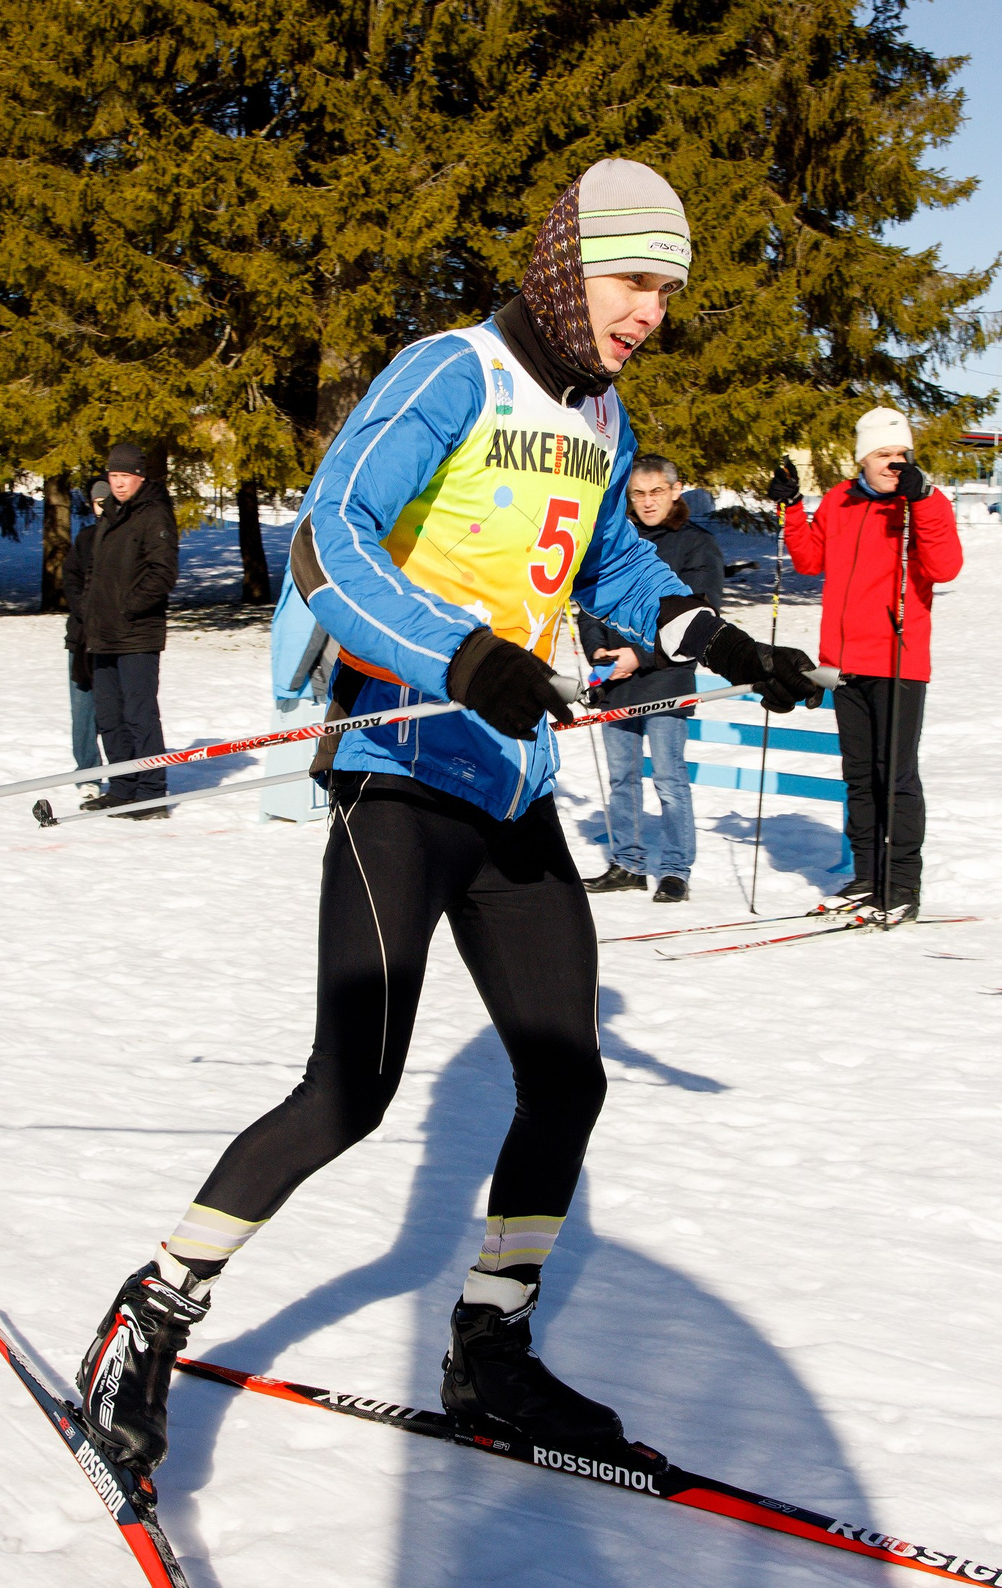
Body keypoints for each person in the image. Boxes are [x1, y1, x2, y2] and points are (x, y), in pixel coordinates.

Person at [74, 159, 823, 1476]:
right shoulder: (452, 374)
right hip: (400, 770)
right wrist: (461, 656)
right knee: (351, 1089)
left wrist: (712, 634)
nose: (649, 312)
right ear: (567, 262)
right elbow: (330, 542)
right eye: (634, 281)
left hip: (513, 786)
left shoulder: (603, 418)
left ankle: (491, 1343)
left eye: (665, 293)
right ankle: (150, 1314)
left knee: (568, 1073)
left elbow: (609, 563)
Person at [771, 408, 962, 922]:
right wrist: (792, 507)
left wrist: (921, 502)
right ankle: (868, 877)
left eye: (902, 455)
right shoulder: (840, 498)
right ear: (863, 458)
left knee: (895, 776)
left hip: (899, 661)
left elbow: (946, 566)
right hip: (845, 663)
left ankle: (901, 884)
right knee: (858, 777)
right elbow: (811, 561)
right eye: (884, 454)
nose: (894, 463)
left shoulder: (922, 501)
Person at [577, 455, 724, 903]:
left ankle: (676, 868)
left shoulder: (697, 546)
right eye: (638, 493)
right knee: (622, 778)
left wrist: (637, 657)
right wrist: (599, 652)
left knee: (668, 778)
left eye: (656, 491)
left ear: (676, 490)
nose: (647, 502)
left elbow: (702, 617)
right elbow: (591, 599)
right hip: (614, 680)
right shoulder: (615, 540)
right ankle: (628, 862)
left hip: (666, 680)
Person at [81, 445, 179, 816]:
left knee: (139, 714)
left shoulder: (154, 514)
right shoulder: (111, 514)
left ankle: (152, 791)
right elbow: (97, 571)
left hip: (137, 633)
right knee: (108, 715)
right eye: (114, 477)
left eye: (125, 477)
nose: (119, 484)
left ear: (140, 477)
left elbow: (162, 573)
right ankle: (122, 785)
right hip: (103, 633)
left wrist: (127, 608)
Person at [62, 480, 113, 796]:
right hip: (81, 639)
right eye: (97, 502)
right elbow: (71, 583)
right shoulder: (85, 539)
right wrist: (88, 614)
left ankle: (124, 774)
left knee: (115, 713)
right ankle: (88, 776)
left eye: (107, 502)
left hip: (115, 640)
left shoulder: (125, 539)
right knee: (82, 713)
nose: (102, 508)